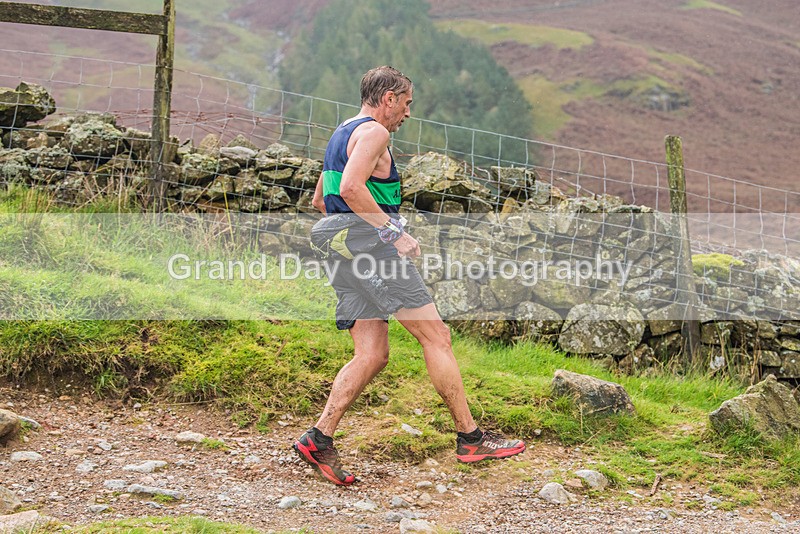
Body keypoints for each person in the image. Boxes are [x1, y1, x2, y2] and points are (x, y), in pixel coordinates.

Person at [293, 66, 525, 486]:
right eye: (406, 103)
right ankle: (471, 439)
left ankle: (318, 438)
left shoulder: (342, 133)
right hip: (372, 248)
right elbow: (349, 189)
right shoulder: (375, 133)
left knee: (372, 354)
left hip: (339, 248)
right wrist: (391, 231)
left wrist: (355, 232)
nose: (408, 113)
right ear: (388, 99)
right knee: (436, 336)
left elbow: (320, 200)